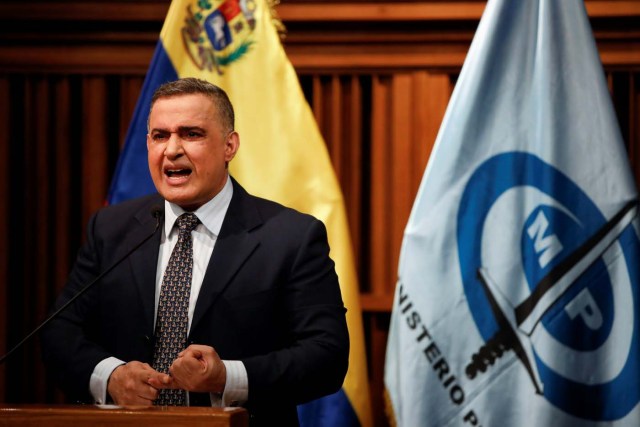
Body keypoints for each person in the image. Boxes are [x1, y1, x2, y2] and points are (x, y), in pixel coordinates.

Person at [41, 77, 349, 425]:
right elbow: (59, 334)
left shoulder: (290, 236)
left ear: (229, 146)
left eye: (191, 134)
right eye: (160, 135)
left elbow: (327, 356)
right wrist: (111, 377)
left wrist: (227, 377)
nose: (171, 149)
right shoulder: (112, 229)